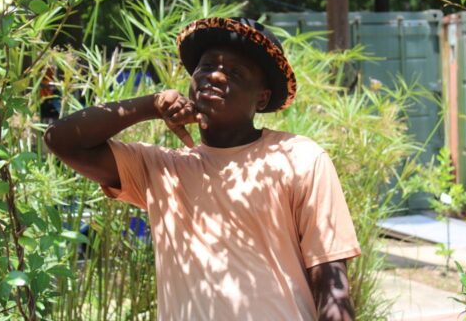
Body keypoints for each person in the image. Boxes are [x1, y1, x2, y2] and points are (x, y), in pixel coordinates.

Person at [45, 17, 361, 321]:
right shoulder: (161, 169)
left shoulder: (299, 157)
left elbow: (331, 281)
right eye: (207, 67)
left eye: (236, 72)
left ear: (261, 99)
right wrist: (150, 105)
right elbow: (61, 140)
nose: (216, 76)